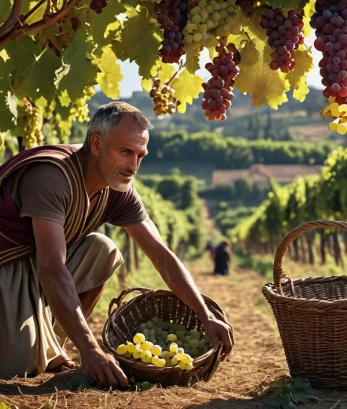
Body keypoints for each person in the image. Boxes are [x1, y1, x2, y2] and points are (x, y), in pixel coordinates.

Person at [0, 102, 233, 387]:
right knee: (20, 368)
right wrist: (90, 350)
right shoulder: (52, 176)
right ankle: (39, 346)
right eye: (125, 152)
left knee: (103, 249)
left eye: (140, 155)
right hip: (6, 265)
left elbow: (161, 255)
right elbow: (51, 267)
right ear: (96, 144)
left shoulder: (118, 188)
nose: (134, 166)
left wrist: (204, 315)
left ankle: (52, 342)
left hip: (34, 266)